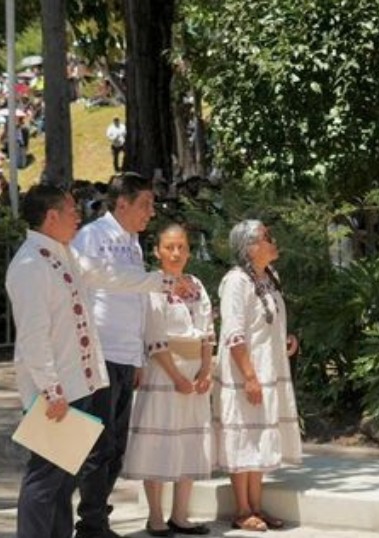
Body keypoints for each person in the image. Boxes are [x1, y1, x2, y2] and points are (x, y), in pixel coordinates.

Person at [6, 184, 193, 538]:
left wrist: (162, 281)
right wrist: (50, 390)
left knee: (64, 478)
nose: (79, 216)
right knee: (44, 479)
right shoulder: (30, 264)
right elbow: (33, 338)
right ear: (51, 216)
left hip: (79, 381)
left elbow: (109, 275)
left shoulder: (62, 253)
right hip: (56, 390)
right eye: (71, 210)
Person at [70, 172, 157, 538]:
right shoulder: (91, 237)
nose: (151, 212)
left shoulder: (134, 242)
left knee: (117, 446)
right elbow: (85, 291)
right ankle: (91, 522)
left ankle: (97, 515)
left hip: (126, 356)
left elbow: (136, 301)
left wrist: (138, 356)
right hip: (99, 354)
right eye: (145, 204)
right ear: (122, 204)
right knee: (97, 443)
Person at [121, 224, 215, 537]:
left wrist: (206, 368)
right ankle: (156, 516)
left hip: (193, 373)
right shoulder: (153, 285)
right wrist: (176, 376)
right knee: (159, 439)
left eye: (181, 247)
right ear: (157, 251)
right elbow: (153, 335)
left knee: (188, 439)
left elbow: (206, 328)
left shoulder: (197, 285)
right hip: (164, 373)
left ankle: (181, 515)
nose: (176, 253)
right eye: (169, 247)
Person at [214, 220, 301, 532]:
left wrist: (285, 339)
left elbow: (267, 322)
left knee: (260, 437)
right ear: (250, 248)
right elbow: (234, 334)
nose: (273, 241)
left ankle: (257, 506)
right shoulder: (236, 282)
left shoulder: (270, 277)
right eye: (267, 237)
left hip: (268, 367)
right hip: (245, 372)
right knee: (243, 436)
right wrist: (249, 376)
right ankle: (242, 509)